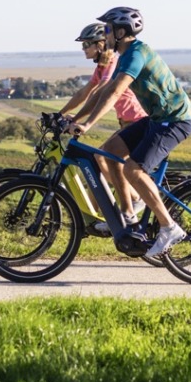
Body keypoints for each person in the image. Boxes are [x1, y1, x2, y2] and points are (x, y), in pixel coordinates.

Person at [68, 7, 191, 259]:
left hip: (175, 120)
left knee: (133, 170)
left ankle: (169, 227)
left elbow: (116, 92)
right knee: (107, 153)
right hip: (157, 119)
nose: (104, 35)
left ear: (120, 32)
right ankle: (127, 217)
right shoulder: (125, 56)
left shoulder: (137, 54)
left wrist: (87, 125)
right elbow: (105, 92)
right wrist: (75, 118)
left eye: (107, 29)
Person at [58, 23, 149, 229]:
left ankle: (134, 201)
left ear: (100, 44)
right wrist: (61, 114)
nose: (83, 49)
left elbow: (102, 93)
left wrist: (82, 122)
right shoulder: (101, 66)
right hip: (127, 122)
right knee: (100, 159)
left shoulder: (112, 63)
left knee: (102, 157)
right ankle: (116, 212)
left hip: (136, 121)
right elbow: (85, 92)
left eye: (87, 45)